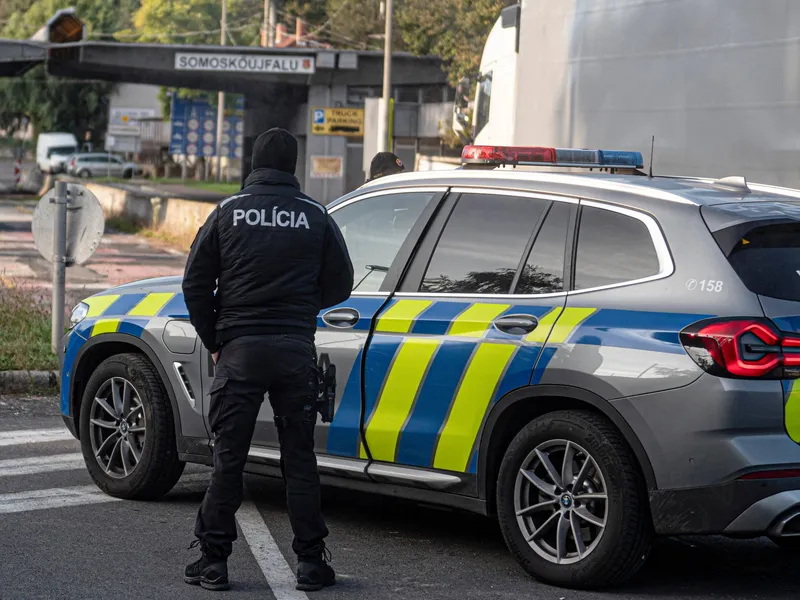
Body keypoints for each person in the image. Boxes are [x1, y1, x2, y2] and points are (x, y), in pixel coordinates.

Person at [181, 127, 354, 592]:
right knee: (299, 459)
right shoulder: (316, 216)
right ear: (294, 166)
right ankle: (312, 565)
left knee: (229, 460)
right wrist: (302, 309)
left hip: (239, 351)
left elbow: (195, 283)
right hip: (295, 351)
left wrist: (215, 336)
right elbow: (342, 284)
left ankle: (214, 563)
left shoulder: (228, 212)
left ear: (253, 163)